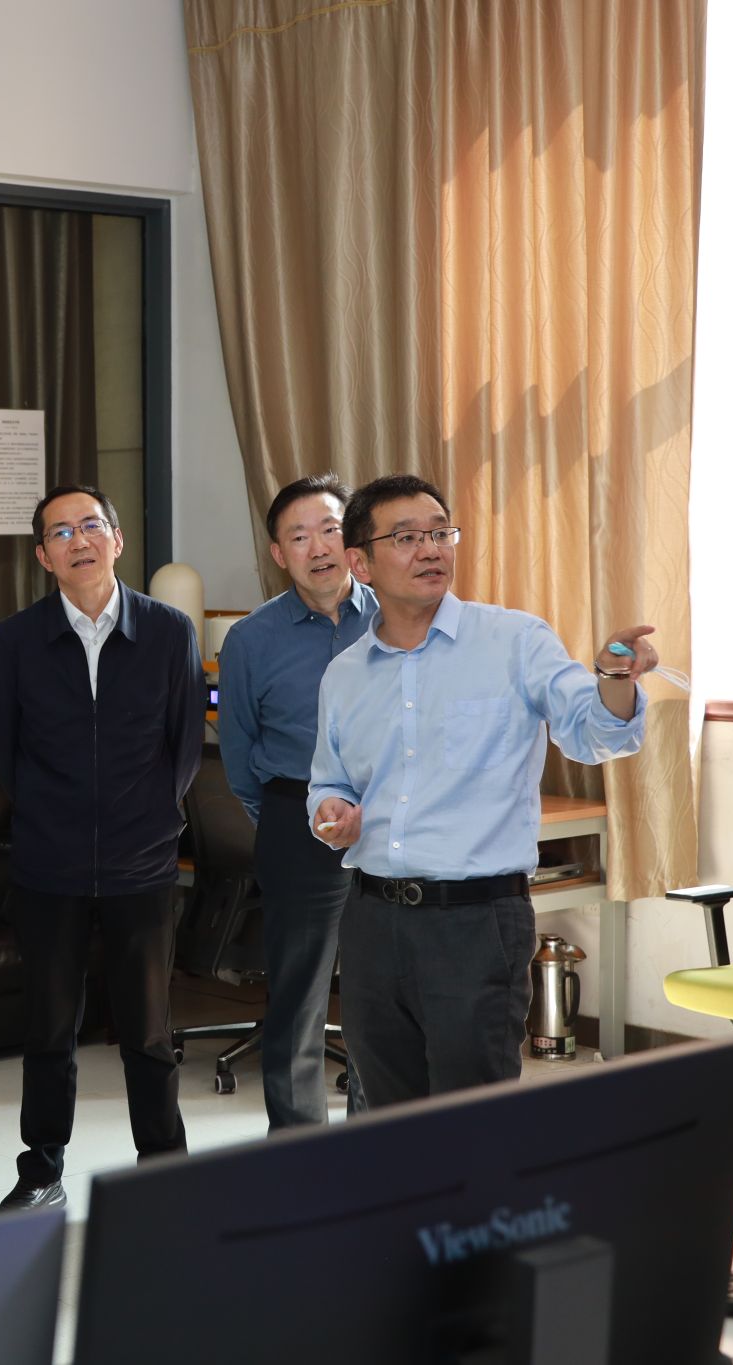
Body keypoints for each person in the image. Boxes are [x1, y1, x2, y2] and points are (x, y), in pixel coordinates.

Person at [308, 473, 654, 1107]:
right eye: (406, 538)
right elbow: (329, 780)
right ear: (360, 562)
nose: (431, 549)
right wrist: (330, 811)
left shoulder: (514, 641)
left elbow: (594, 735)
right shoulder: (344, 674)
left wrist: (613, 678)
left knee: (473, 1120)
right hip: (371, 921)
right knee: (385, 1118)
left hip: (474, 923)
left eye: (441, 533)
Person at [0, 484, 203, 1212]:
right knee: (49, 1027)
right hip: (49, 864)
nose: (80, 540)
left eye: (92, 525)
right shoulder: (15, 641)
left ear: (117, 538)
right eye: (61, 532)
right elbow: (5, 752)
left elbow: (184, 746)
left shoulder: (168, 631)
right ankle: (41, 1167)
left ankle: (162, 1165)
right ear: (43, 556)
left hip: (143, 862)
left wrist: (155, 817)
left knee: (148, 1027)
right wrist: (51, 817)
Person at [218, 474, 373, 1130]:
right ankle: (297, 1149)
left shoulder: (398, 617)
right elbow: (238, 751)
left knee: (384, 991)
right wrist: (286, 816)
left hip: (392, 819)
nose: (319, 547)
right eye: (300, 536)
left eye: (330, 529)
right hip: (297, 818)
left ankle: (377, 1138)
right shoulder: (252, 639)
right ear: (279, 554)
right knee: (298, 994)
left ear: (352, 537)